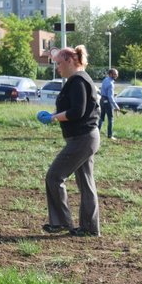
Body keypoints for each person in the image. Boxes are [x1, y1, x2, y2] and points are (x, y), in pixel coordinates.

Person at [41, 45, 101, 237]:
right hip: (86, 137)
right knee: (86, 183)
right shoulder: (80, 79)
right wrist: (55, 116)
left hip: (82, 138)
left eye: (59, 63)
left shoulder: (77, 81)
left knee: (54, 176)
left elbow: (77, 111)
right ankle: (89, 228)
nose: (57, 68)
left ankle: (61, 222)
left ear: (69, 61)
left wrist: (53, 117)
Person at [98, 68, 120, 139]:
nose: (116, 75)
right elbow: (110, 97)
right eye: (115, 74)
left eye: (117, 74)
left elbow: (103, 90)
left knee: (101, 117)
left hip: (102, 100)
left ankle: (97, 132)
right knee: (110, 118)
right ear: (110, 74)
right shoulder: (111, 84)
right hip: (107, 102)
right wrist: (116, 106)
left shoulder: (105, 80)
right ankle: (110, 135)